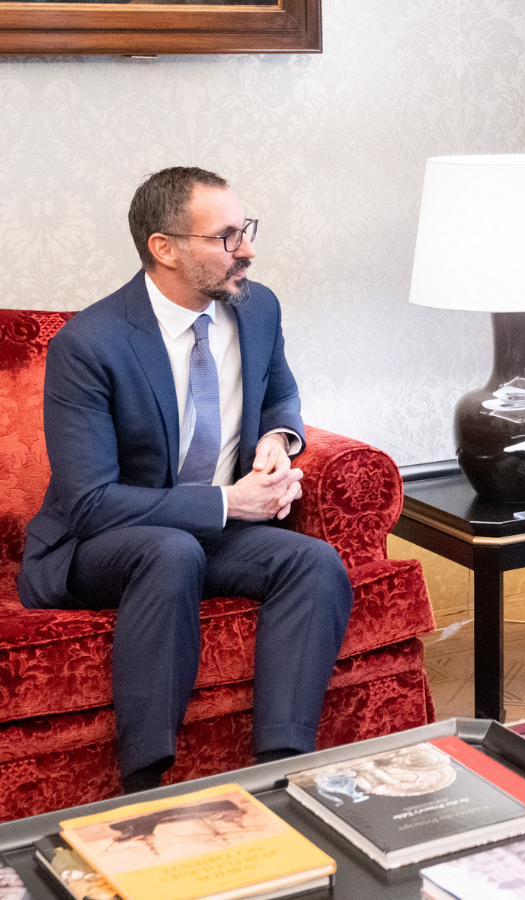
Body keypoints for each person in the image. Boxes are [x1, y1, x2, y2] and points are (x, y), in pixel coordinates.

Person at [18, 167, 354, 794]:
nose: (247, 249)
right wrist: (229, 502)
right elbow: (91, 503)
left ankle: (281, 773)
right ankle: (147, 784)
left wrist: (279, 441)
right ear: (164, 247)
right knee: (168, 550)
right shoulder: (89, 344)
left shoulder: (256, 308)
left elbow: (280, 390)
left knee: (314, 563)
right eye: (227, 237)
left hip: (214, 527)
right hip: (99, 543)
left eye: (245, 230)